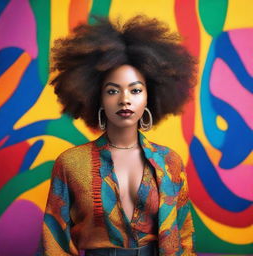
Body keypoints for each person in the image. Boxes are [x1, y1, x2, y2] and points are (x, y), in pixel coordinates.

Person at [37, 15, 197, 256]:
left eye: (135, 90)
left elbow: (183, 238)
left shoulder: (170, 162)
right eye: (113, 91)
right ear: (96, 97)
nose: (125, 99)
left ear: (149, 96)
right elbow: (55, 242)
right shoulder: (70, 163)